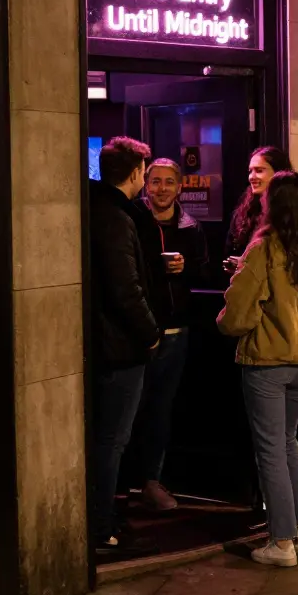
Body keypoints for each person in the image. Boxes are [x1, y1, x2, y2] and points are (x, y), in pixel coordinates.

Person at [217, 171, 298, 567]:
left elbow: (236, 314)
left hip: (268, 363)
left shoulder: (264, 250)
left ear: (271, 206)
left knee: (271, 450)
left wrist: (236, 323)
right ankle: (297, 529)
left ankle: (282, 542)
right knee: (287, 442)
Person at [88, 137, 161, 556]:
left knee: (106, 438)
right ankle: (100, 526)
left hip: (107, 345)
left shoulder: (97, 208)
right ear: (135, 173)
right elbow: (125, 288)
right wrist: (151, 333)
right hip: (119, 348)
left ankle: (102, 518)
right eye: (145, 173)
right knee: (112, 439)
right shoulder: (115, 217)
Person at [130, 158, 209, 512]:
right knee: (128, 411)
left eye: (168, 182)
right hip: (139, 332)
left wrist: (185, 267)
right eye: (155, 181)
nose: (161, 188)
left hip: (177, 332)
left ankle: (151, 481)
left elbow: (205, 274)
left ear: (180, 187)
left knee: (161, 411)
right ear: (145, 184)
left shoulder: (191, 227)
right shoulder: (133, 220)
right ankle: (118, 486)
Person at [226, 146, 293, 270]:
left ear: (279, 173)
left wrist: (248, 263)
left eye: (259, 170)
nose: (252, 177)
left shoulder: (293, 211)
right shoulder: (245, 211)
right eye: (250, 171)